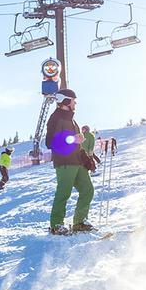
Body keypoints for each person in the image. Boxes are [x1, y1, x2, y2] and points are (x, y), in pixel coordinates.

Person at [45, 89, 95, 235]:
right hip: (65, 162)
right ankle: (56, 225)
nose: (75, 104)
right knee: (63, 193)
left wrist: (86, 158)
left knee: (87, 190)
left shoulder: (72, 120)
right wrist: (73, 139)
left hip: (77, 162)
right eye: (74, 101)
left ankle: (80, 222)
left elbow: (77, 144)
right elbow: (50, 142)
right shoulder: (55, 118)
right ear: (66, 101)